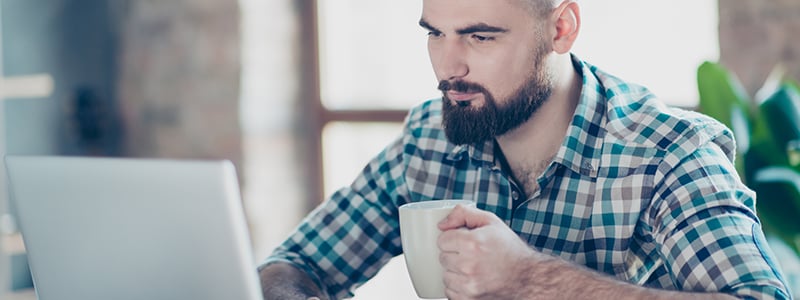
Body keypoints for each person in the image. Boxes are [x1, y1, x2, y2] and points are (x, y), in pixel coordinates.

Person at [259, 0, 791, 299]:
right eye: (435, 34)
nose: (449, 67)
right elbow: (295, 265)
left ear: (561, 28)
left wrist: (526, 276)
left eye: (481, 37)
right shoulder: (428, 138)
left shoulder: (668, 153)